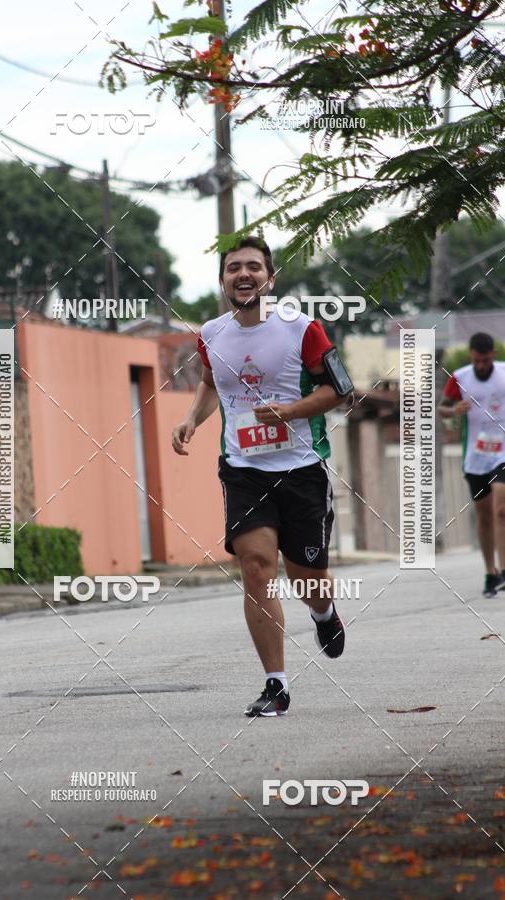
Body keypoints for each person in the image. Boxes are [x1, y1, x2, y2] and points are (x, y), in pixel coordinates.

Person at [171, 236, 352, 717]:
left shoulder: (302, 329)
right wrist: (193, 418)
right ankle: (276, 684)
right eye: (234, 268)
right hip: (244, 470)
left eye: (253, 266)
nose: (243, 274)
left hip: (301, 468)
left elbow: (340, 390)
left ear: (270, 278)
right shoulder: (210, 334)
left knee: (307, 576)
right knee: (256, 569)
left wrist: (291, 410)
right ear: (223, 280)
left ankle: (323, 612)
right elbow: (213, 383)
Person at [439, 332, 505, 597]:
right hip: (475, 455)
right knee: (485, 515)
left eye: (486, 360)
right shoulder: (461, 377)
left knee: (502, 507)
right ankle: (490, 573)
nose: (481, 366)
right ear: (472, 355)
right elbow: (441, 408)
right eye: (477, 360)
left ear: (493, 355)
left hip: (504, 451)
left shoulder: (504, 373)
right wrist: (453, 411)